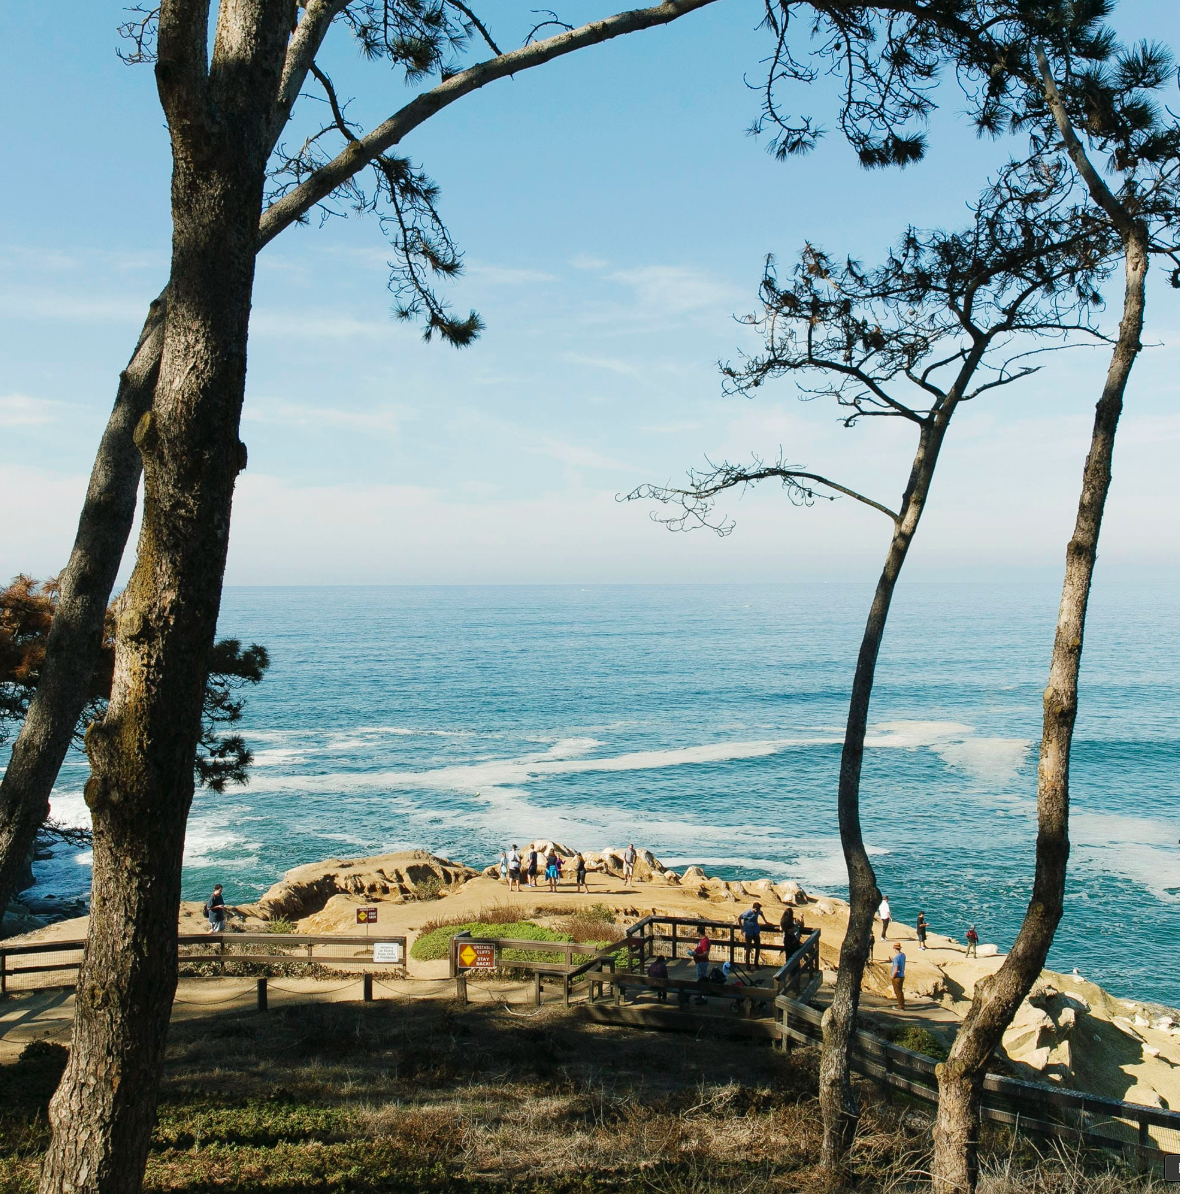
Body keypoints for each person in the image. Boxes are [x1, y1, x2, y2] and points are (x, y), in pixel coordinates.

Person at [738, 902, 773, 966]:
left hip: (755, 931)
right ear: (754, 909)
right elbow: (739, 918)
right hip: (748, 932)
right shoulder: (747, 913)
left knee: (758, 947)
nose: (758, 911)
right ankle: (747, 965)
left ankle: (756, 964)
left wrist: (766, 922)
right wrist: (742, 929)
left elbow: (761, 913)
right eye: (757, 909)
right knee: (748, 948)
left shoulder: (758, 911)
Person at [691, 925, 710, 1003]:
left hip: (702, 963)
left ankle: (703, 997)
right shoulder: (702, 940)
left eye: (697, 932)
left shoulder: (705, 941)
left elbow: (706, 954)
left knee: (702, 980)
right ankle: (700, 995)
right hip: (699, 962)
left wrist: (696, 955)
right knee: (700, 979)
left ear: (699, 932)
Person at [890, 942, 907, 1010]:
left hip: (897, 976)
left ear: (894, 948)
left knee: (898, 991)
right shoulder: (903, 955)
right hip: (902, 975)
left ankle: (901, 1006)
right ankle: (901, 1005)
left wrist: (892, 976)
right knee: (900, 991)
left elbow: (896, 969)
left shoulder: (896, 958)